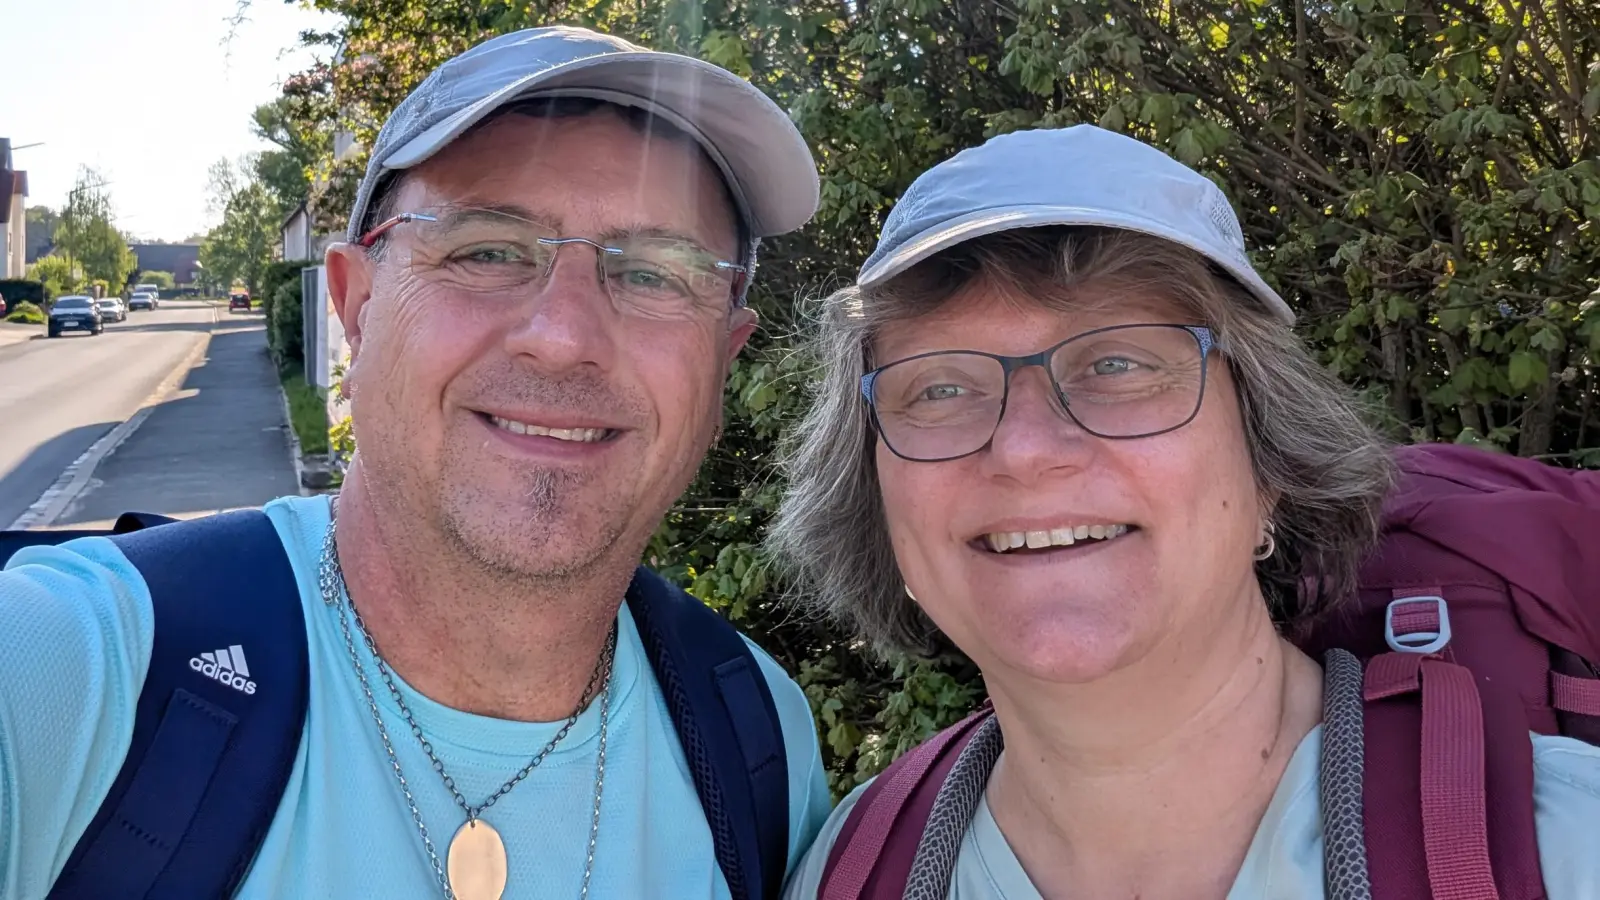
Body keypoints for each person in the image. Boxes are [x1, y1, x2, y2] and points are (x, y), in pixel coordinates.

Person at [0, 26, 830, 899]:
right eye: (487, 251)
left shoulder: (759, 743)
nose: (564, 336)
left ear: (723, 357)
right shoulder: (66, 668)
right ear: (357, 306)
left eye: (657, 273)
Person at [770, 125, 1600, 899]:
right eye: (941, 389)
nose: (1023, 450)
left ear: (1269, 467)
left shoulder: (1564, 845)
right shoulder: (852, 872)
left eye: (1119, 365)